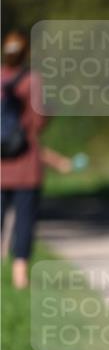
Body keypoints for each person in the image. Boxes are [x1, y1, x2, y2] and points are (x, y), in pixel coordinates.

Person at [1, 30, 49, 289]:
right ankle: (20, 276)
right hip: (26, 163)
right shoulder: (33, 80)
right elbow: (39, 121)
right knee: (24, 220)